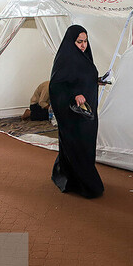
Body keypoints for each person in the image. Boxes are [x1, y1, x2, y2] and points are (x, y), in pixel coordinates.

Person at [49, 25, 105, 198]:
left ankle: (75, 175)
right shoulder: (65, 59)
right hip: (73, 115)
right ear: (71, 42)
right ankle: (83, 183)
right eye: (79, 42)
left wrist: (96, 81)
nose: (83, 45)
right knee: (78, 144)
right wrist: (74, 94)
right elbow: (57, 85)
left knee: (87, 144)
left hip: (87, 114)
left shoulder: (84, 57)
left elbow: (81, 78)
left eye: (85, 41)